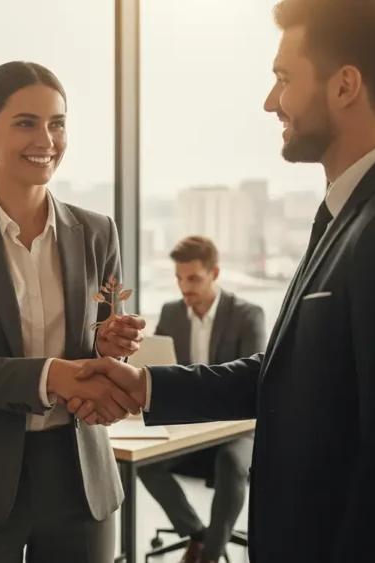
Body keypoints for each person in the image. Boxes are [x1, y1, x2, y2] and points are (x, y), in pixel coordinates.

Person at [69, 0, 375, 563]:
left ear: (345, 85)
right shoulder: (340, 214)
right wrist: (149, 388)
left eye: (284, 78)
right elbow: (286, 372)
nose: (270, 101)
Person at [0, 60, 146, 563]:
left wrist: (109, 349)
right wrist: (52, 376)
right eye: (26, 122)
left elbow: (95, 347)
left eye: (57, 123)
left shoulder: (98, 230)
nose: (47, 138)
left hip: (80, 472)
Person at [137, 236, 264, 563]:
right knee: (144, 463)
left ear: (214, 273)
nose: (184, 288)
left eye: (193, 278)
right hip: (187, 427)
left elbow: (252, 387)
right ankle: (195, 533)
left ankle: (210, 553)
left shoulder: (247, 315)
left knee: (233, 464)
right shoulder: (171, 313)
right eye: (179, 278)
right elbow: (162, 368)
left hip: (236, 429)